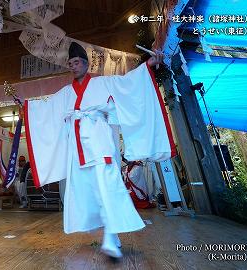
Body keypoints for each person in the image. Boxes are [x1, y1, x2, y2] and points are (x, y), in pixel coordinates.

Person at [19, 42, 176, 259]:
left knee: (107, 188)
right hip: (78, 149)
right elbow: (46, 108)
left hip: (99, 143)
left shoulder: (104, 83)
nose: (73, 67)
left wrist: (149, 63)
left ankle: (110, 239)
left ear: (85, 64)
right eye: (70, 63)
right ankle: (112, 235)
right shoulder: (66, 93)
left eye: (77, 62)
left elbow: (128, 84)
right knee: (89, 191)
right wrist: (26, 106)